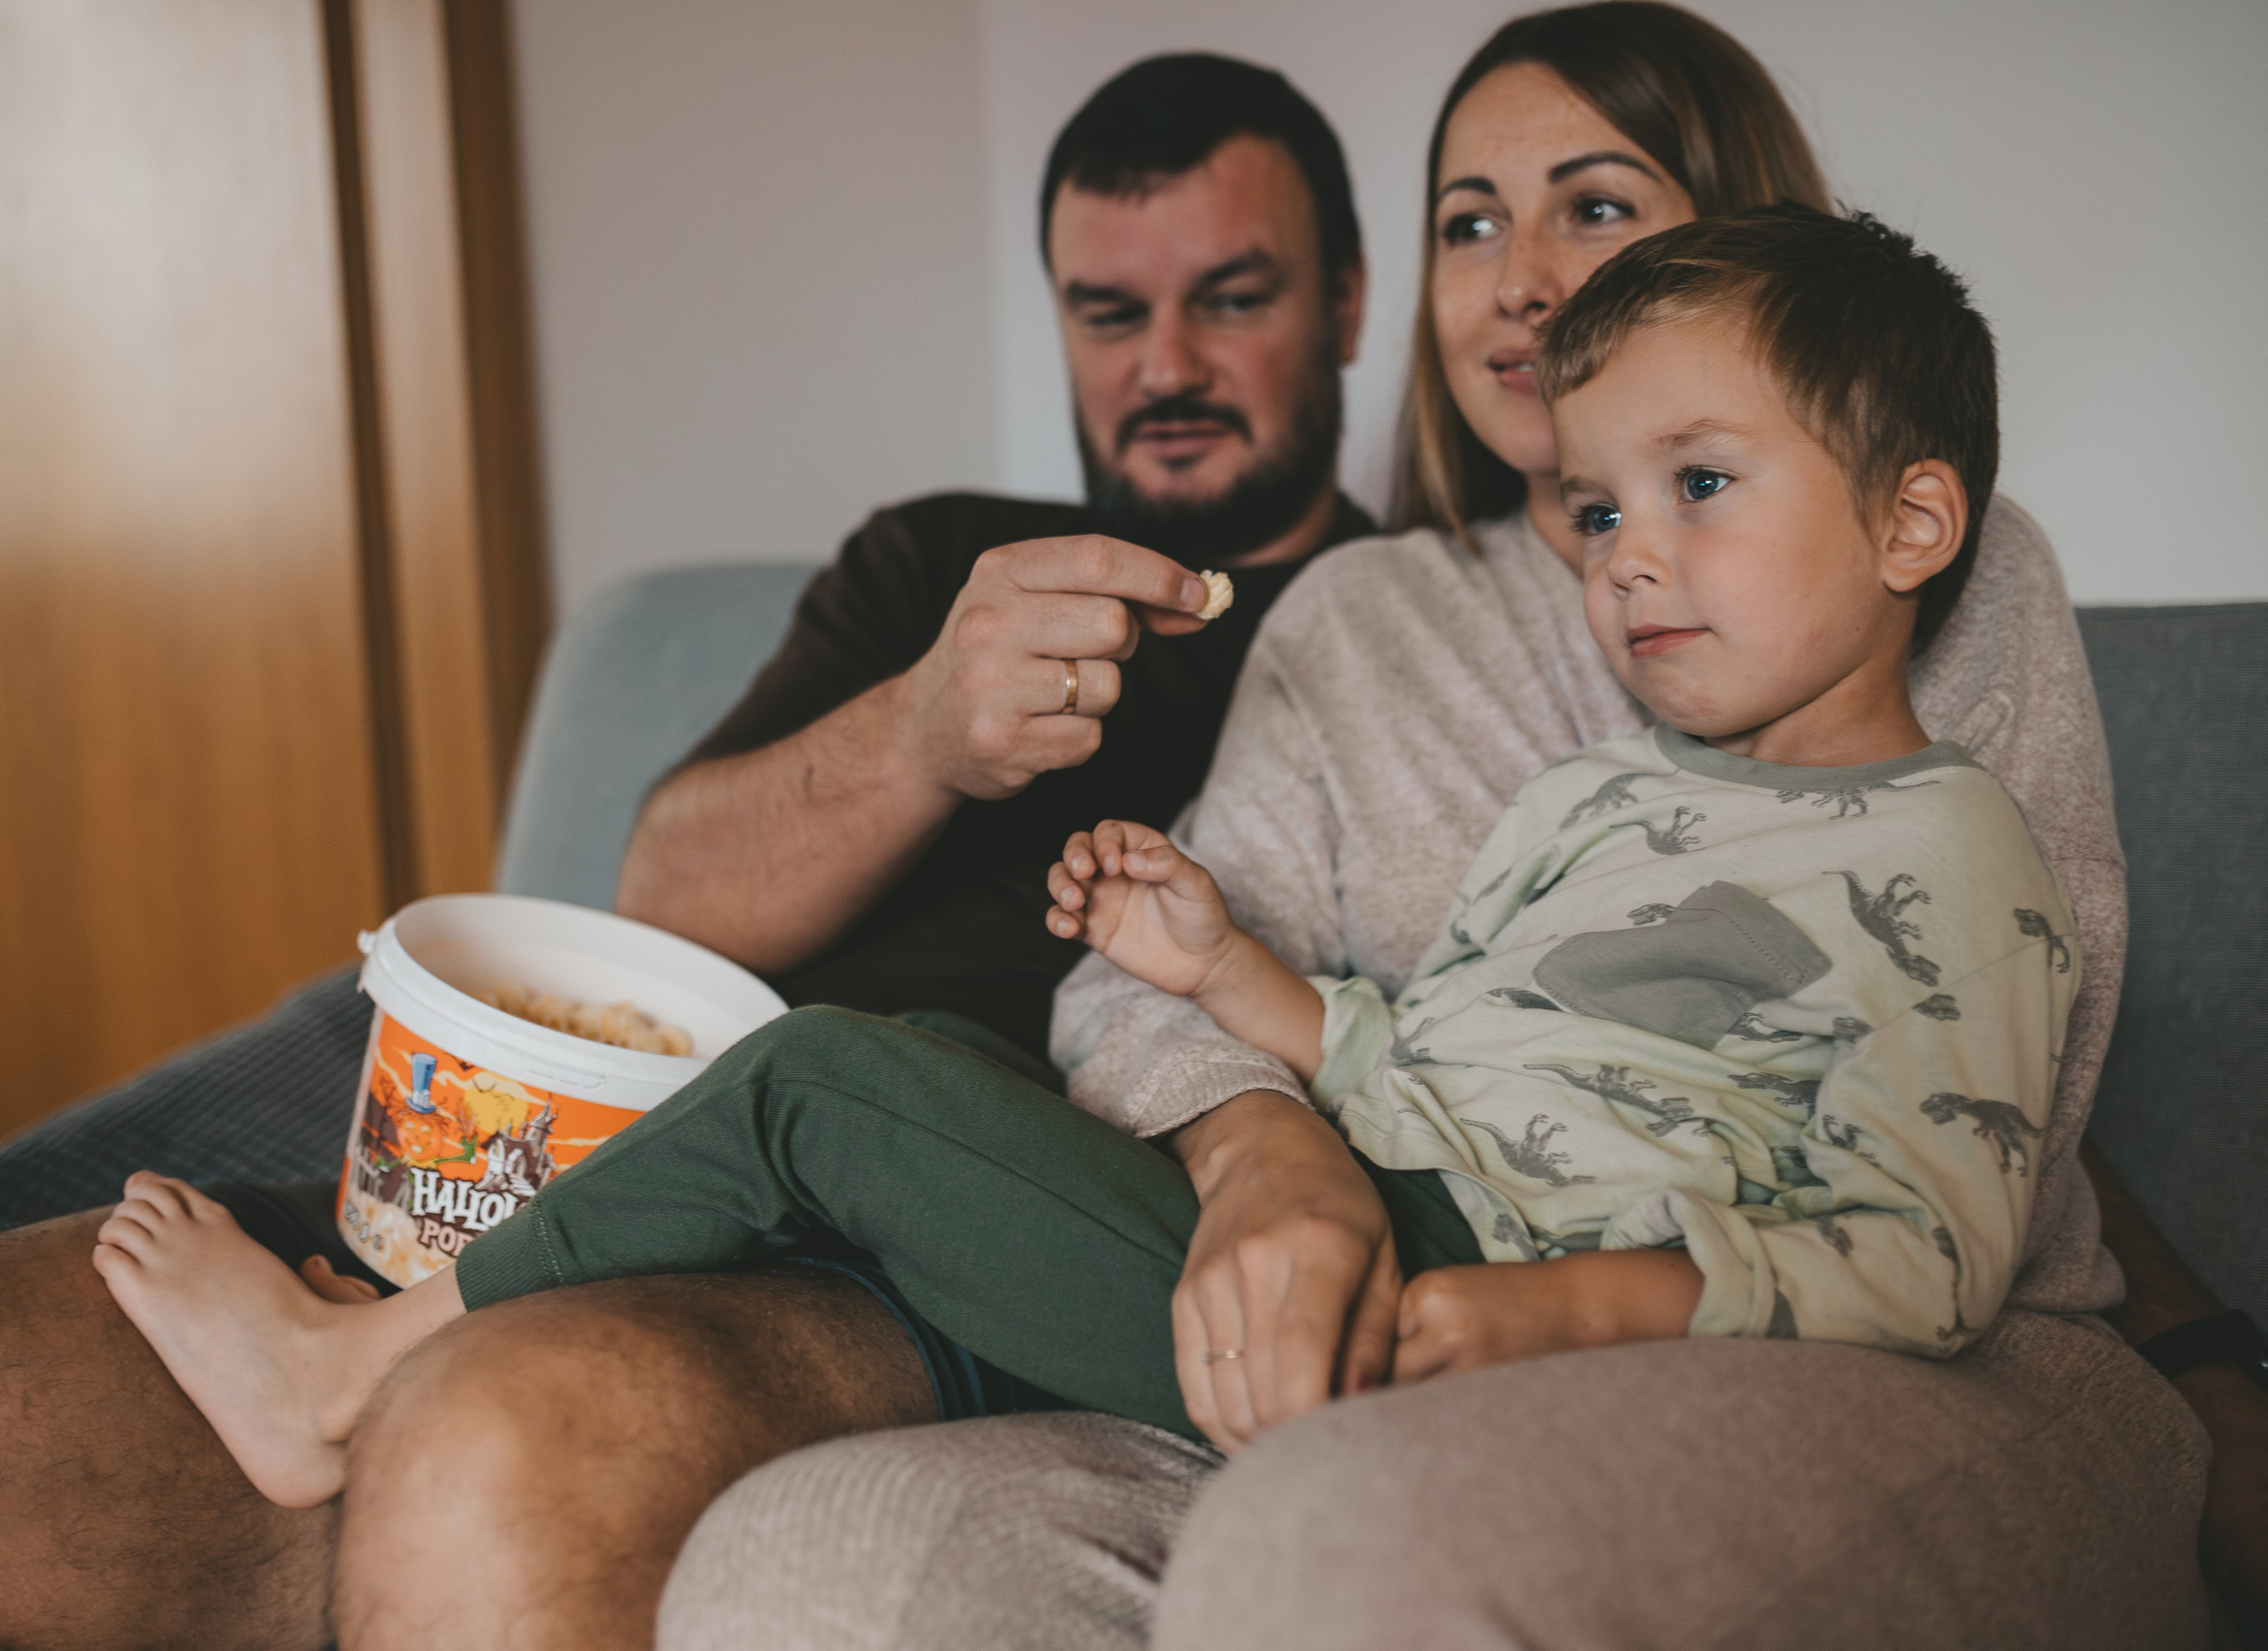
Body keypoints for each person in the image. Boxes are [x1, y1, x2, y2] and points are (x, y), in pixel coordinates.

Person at [649, 7, 2245, 1647]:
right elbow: (1262, 1010)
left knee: (1340, 1550)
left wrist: (1568, 1299)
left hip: (1847, 1348)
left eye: (1597, 205)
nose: (1521, 275)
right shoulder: (1373, 626)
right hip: (1408, 1304)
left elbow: (1988, 1112)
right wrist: (1261, 1135)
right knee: (799, 1556)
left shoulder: (1949, 598)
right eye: (1470, 221)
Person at [84, 205, 2083, 1501]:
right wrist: (1226, 976)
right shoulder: (1589, 807)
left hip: (1496, 1308)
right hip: (1379, 1241)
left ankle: (349, 1385)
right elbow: (1418, 1068)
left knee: (818, 1082)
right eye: (1588, 511)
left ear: (1914, 528)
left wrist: (1582, 1309)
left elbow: (1928, 1243)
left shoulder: (1949, 848)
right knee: (923, 1076)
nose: (1628, 551)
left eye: (1696, 487)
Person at [0, 53, 1386, 1651]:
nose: (1166, 363)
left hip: (895, 1257)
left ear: (1349, 304)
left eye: (1231, 299)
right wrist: (919, 735)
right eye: (1110, 314)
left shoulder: (1416, 632)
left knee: (487, 1451)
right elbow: (659, 900)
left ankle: (369, 1377)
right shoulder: (939, 560)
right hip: (577, 1163)